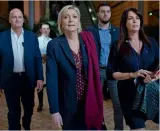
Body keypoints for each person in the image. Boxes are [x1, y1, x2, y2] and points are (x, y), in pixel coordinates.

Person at [46, 5, 103, 130]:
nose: (71, 20)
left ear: (78, 21)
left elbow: (95, 72)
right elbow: (51, 81)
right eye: (66, 17)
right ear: (61, 22)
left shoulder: (89, 40)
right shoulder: (54, 45)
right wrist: (54, 110)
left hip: (90, 100)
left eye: (74, 17)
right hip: (68, 104)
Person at [111, 8, 159, 130]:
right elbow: (112, 73)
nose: (135, 21)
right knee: (138, 127)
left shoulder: (151, 42)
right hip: (130, 95)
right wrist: (133, 74)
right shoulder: (118, 46)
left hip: (153, 92)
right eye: (131, 19)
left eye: (137, 18)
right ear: (124, 23)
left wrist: (155, 76)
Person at [0, 8, 43, 130]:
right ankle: (15, 128)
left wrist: (40, 77)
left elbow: (37, 58)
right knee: (13, 110)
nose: (17, 19)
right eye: (14, 17)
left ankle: (26, 123)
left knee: (29, 108)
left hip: (27, 78)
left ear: (23, 20)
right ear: (9, 20)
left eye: (19, 17)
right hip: (10, 79)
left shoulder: (31, 37)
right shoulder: (1, 37)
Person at [86, 3, 123, 130]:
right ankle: (100, 126)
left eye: (108, 11)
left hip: (113, 72)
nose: (105, 14)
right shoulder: (90, 31)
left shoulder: (118, 31)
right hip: (98, 71)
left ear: (111, 14)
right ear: (97, 14)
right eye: (102, 11)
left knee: (118, 104)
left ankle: (118, 128)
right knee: (96, 102)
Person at [37, 22, 52, 112]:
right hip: (40, 65)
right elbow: (34, 52)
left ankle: (51, 105)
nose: (46, 30)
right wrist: (41, 56)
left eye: (47, 28)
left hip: (49, 66)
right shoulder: (37, 40)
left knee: (50, 86)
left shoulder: (52, 41)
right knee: (40, 85)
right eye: (44, 28)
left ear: (49, 30)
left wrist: (48, 57)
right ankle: (40, 104)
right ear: (41, 30)